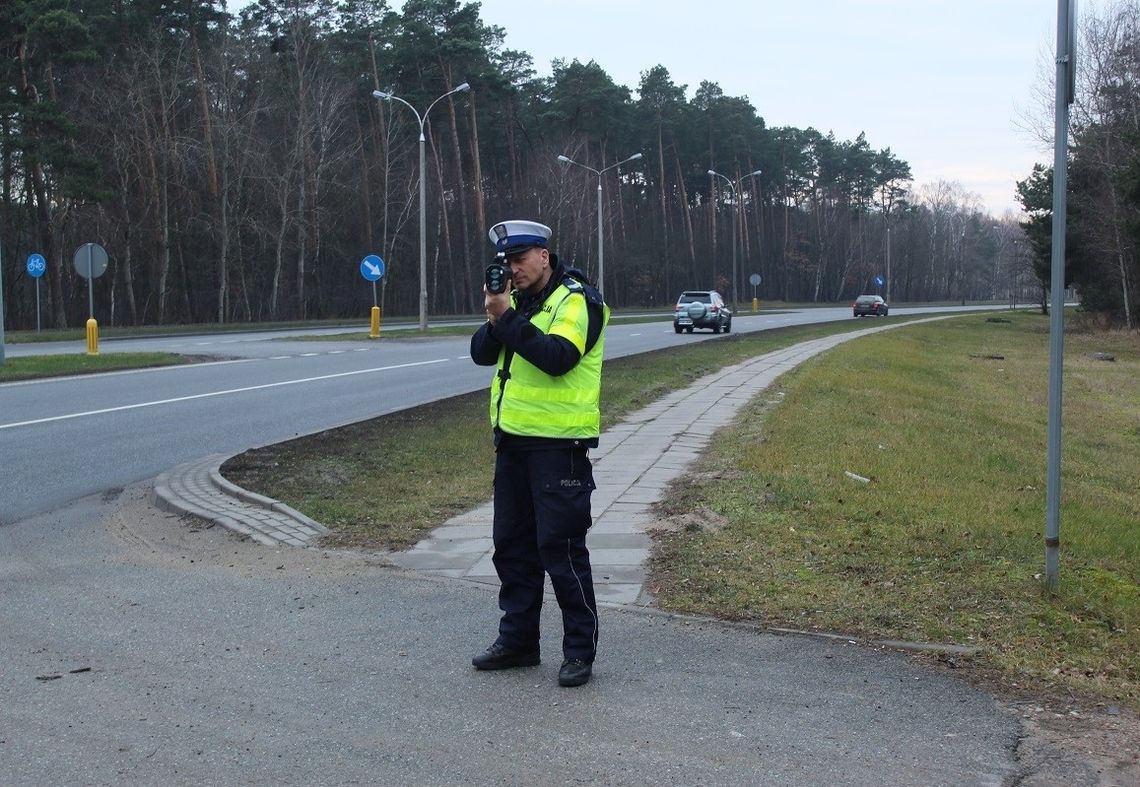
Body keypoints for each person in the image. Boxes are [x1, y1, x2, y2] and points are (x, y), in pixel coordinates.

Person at [469, 219, 610, 688]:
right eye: (506, 262)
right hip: (513, 445)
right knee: (512, 549)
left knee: (561, 550)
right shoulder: (520, 303)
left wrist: (507, 318)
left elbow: (557, 359)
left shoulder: (577, 300)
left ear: (544, 256)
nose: (514, 268)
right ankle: (518, 642)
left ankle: (578, 652)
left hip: (559, 449)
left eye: (521, 259)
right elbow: (481, 354)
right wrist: (497, 314)